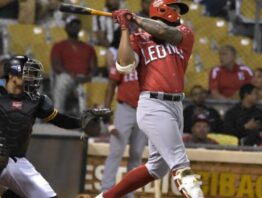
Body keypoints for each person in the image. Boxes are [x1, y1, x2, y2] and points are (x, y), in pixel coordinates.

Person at [96, 0, 204, 197]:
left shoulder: (184, 33)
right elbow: (125, 65)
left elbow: (164, 32)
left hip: (175, 106)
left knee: (157, 168)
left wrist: (136, 18)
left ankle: (105, 197)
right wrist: (124, 29)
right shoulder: (138, 38)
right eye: (175, 8)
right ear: (162, 9)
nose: (178, 13)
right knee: (181, 166)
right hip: (153, 105)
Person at [0, 55, 110, 198]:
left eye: (33, 74)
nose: (32, 78)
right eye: (27, 74)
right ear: (12, 76)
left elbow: (59, 120)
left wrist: (81, 121)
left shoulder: (35, 100)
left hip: (16, 160)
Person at [101, 43, 147, 198]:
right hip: (125, 109)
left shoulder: (150, 60)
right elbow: (111, 84)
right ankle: (107, 189)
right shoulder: (123, 58)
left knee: (136, 153)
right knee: (116, 151)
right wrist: (106, 108)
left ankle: (129, 192)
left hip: (145, 111)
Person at [51, 15, 98, 115]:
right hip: (68, 77)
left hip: (84, 78)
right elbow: (56, 66)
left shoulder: (88, 48)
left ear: (80, 27)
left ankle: (87, 120)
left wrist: (87, 77)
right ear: (66, 27)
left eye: (76, 25)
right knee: (61, 80)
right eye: (71, 25)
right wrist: (71, 75)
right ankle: (58, 116)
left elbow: (94, 68)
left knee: (98, 82)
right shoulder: (59, 46)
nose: (74, 27)